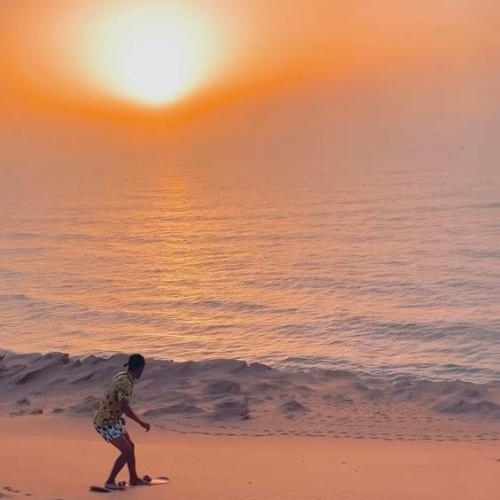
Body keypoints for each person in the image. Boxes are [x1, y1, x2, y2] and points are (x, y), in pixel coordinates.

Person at [93, 353, 151, 489]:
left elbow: (112, 398)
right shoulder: (126, 383)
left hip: (113, 419)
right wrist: (141, 422)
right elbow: (124, 406)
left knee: (131, 446)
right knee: (127, 451)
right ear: (141, 367)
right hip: (105, 423)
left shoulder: (122, 376)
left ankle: (133, 478)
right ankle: (110, 481)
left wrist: (118, 417)